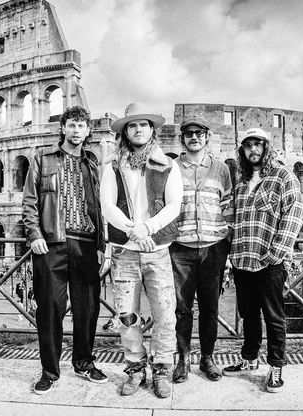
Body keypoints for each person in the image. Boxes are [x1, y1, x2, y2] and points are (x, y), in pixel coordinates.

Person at [23, 105, 107, 394]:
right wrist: (34, 234)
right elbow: (30, 200)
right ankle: (49, 371)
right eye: (71, 125)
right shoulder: (42, 158)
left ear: (88, 130)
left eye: (81, 126)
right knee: (50, 309)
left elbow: (101, 206)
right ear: (63, 128)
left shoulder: (92, 162)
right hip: (51, 244)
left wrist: (102, 245)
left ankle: (84, 362)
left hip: (86, 243)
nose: (76, 130)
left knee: (88, 309)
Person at [100, 103, 183, 398]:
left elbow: (174, 205)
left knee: (165, 315)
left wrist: (146, 228)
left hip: (157, 249)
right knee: (127, 316)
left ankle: (162, 369)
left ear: (151, 130)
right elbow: (107, 206)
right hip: (125, 250)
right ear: (125, 132)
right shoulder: (112, 166)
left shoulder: (168, 164)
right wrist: (133, 230)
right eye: (132, 125)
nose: (138, 129)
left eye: (143, 124)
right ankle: (135, 369)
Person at [223, 128, 303, 394]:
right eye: (248, 146)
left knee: (274, 317)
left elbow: (294, 213)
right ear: (242, 151)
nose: (253, 150)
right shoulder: (241, 182)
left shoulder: (283, 176)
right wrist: (230, 255)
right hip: (242, 260)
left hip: (270, 263)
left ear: (267, 147)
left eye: (258, 144)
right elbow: (234, 220)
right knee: (248, 315)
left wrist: (276, 253)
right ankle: (249, 359)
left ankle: (276, 366)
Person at [170, 115, 234, 383]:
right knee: (182, 309)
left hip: (213, 248)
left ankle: (208, 358)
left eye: (199, 133)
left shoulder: (221, 169)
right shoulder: (172, 167)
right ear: (183, 139)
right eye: (189, 133)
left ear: (207, 137)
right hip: (180, 248)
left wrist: (226, 243)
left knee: (210, 308)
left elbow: (228, 206)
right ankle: (183, 359)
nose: (194, 137)